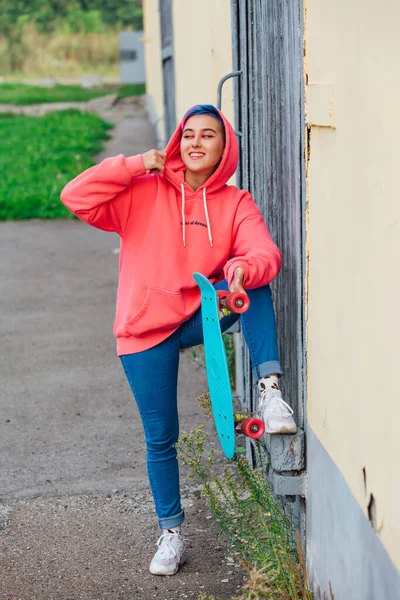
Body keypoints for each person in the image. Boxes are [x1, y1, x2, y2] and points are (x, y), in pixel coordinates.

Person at [60, 104, 297, 577]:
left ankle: (270, 393)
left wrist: (243, 266)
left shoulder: (234, 202)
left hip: (198, 316)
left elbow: (264, 251)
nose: (195, 142)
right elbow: (76, 196)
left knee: (253, 282)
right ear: (176, 142)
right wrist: (133, 164)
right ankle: (170, 533)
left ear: (223, 149)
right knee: (160, 436)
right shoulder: (141, 192)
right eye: (188, 134)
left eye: (208, 135)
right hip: (143, 327)